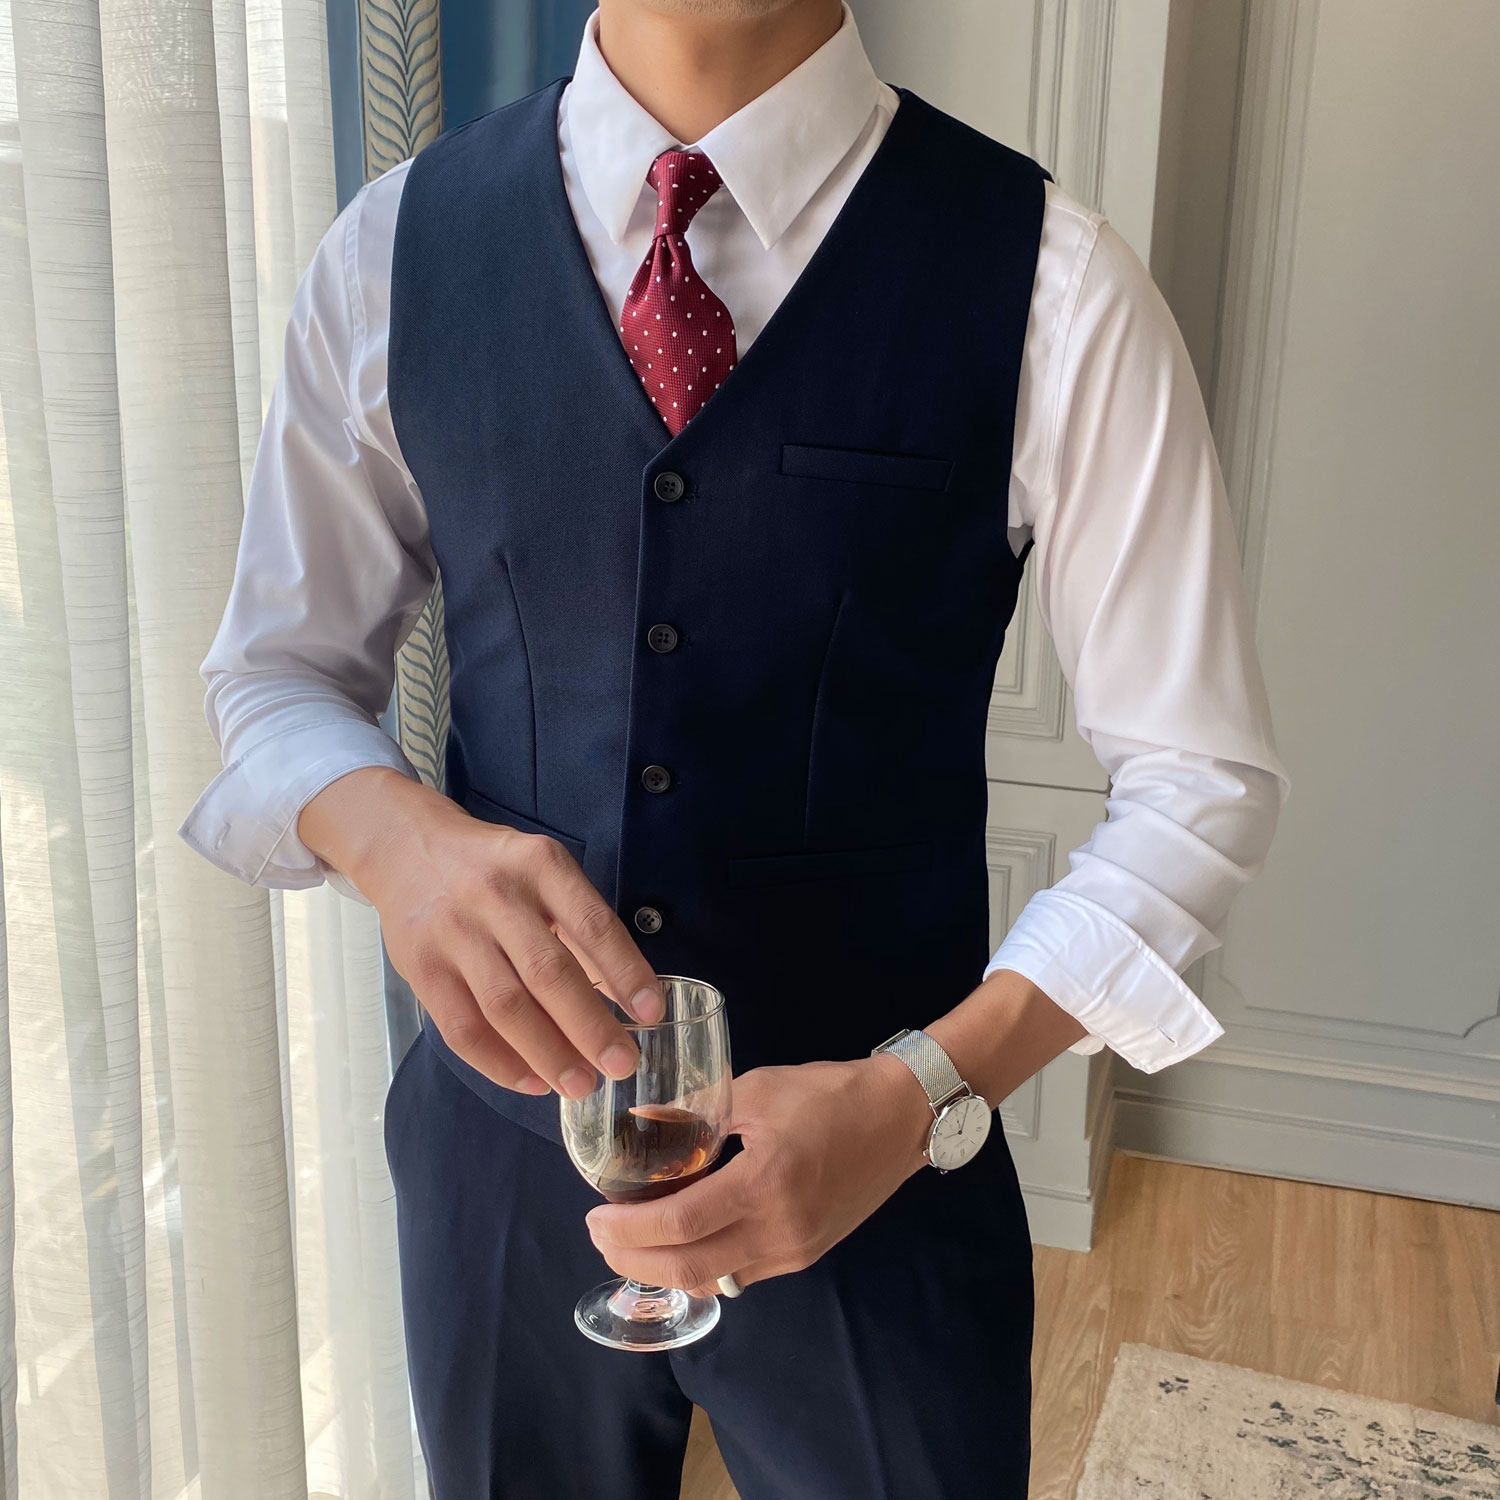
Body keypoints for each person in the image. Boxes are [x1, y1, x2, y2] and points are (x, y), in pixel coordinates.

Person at [179, 1, 1290, 1494]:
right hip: (499, 1182)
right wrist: (394, 840)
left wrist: (921, 1093)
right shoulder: (391, 252)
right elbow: (274, 676)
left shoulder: (1051, 279)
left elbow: (1199, 783)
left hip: (885, 1175)